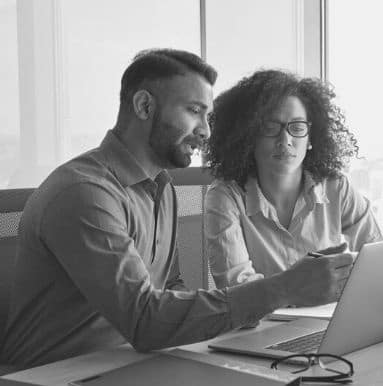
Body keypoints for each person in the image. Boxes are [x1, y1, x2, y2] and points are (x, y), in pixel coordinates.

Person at [0, 50, 353, 369]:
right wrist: (282, 289)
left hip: (131, 363)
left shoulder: (162, 187)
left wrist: (247, 317)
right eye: (194, 111)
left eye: (209, 116)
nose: (206, 131)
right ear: (144, 106)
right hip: (54, 374)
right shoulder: (85, 193)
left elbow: (172, 291)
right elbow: (145, 321)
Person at [205, 69, 382, 289]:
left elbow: (378, 258)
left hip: (332, 317)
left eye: (297, 127)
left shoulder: (336, 187)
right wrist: (299, 287)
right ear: (249, 136)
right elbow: (237, 289)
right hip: (262, 322)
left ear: (310, 138)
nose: (285, 140)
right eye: (270, 127)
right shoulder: (225, 196)